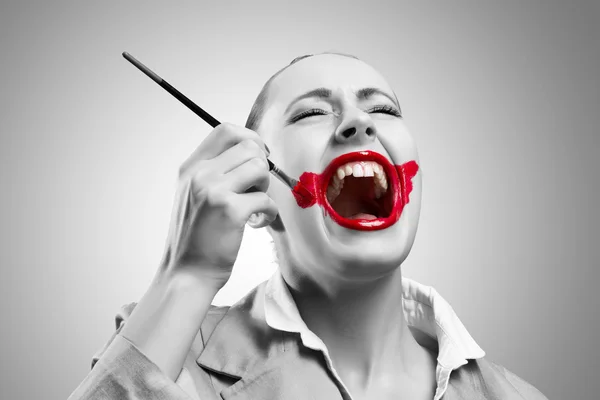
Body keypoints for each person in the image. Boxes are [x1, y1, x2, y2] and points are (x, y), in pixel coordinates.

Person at [68, 52, 548, 400]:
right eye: (312, 112)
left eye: (382, 109)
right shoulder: (170, 354)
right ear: (256, 192)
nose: (358, 123)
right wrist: (187, 274)